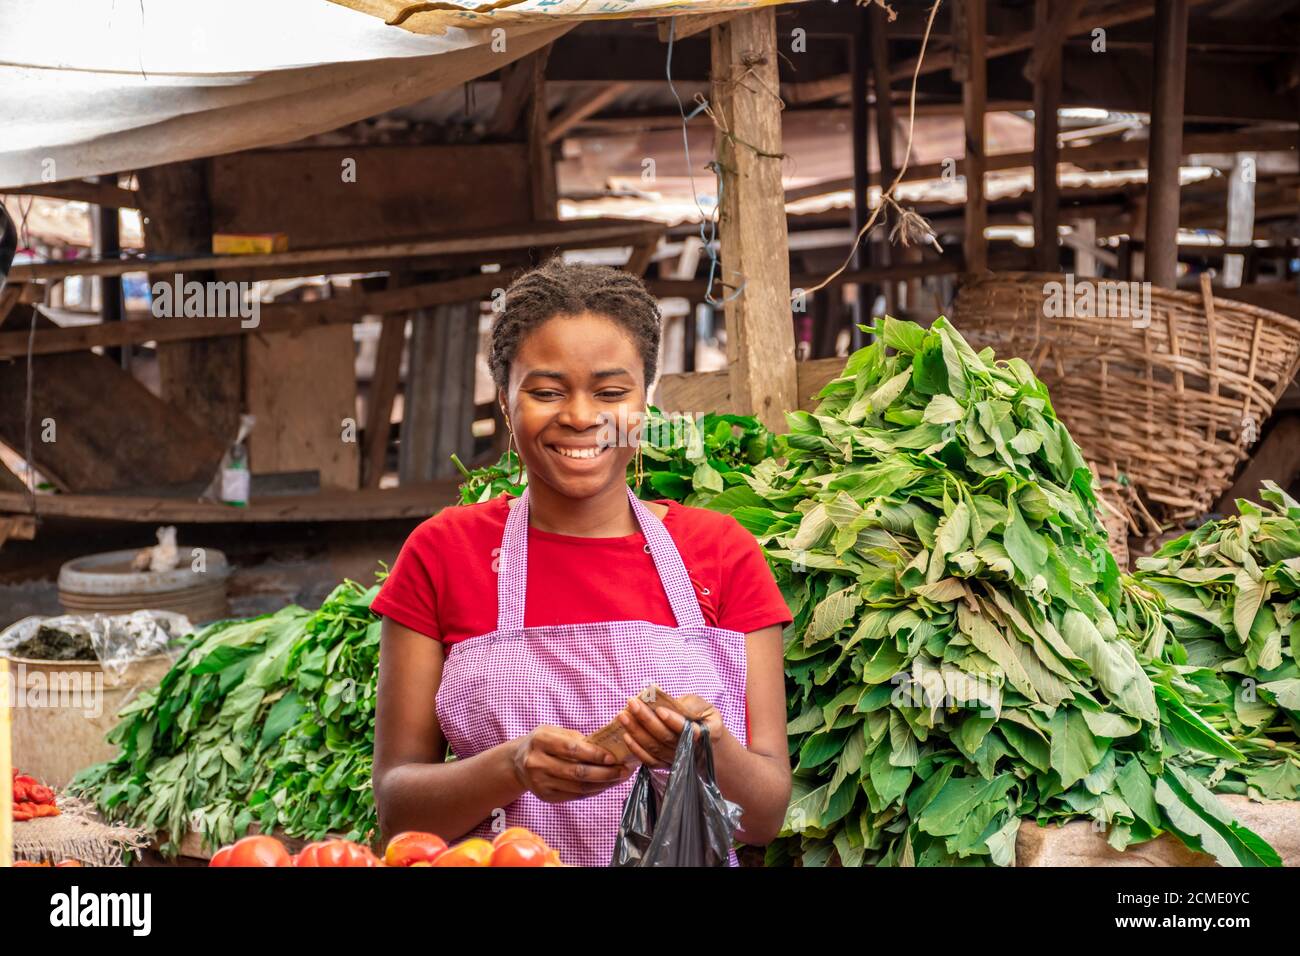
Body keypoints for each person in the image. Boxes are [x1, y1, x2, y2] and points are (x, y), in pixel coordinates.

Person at [370, 258, 792, 866]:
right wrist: (511, 767)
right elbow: (396, 814)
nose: (579, 415)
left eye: (611, 391)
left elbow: (764, 819)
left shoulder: (723, 553)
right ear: (505, 402)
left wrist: (704, 750)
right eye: (545, 391)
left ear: (644, 402)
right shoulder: (443, 553)